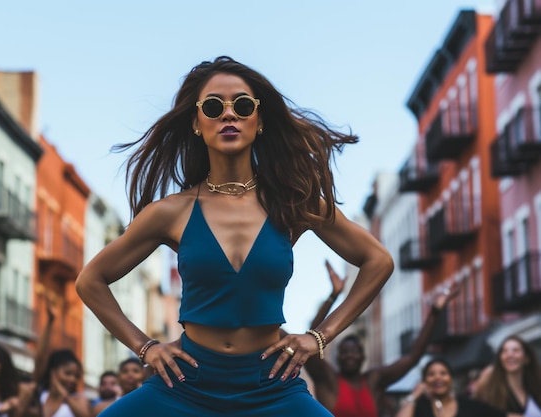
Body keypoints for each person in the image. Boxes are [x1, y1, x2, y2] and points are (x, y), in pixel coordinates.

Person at [75, 55, 394, 417]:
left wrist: (319, 336)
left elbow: (378, 260)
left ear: (259, 122)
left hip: (272, 385)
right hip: (185, 384)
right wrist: (145, 347)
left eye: (242, 106)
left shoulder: (294, 203)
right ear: (197, 123)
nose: (229, 115)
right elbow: (91, 280)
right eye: (213, 106)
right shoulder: (170, 212)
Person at [304, 265, 461, 417]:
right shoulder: (329, 381)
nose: (350, 356)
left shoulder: (374, 381)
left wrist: (434, 312)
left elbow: (412, 358)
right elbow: (309, 344)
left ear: (363, 356)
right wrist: (333, 297)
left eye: (355, 351)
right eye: (345, 352)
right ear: (338, 357)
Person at [395, 358, 511, 417]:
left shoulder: (468, 405)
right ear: (425, 381)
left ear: (450, 378)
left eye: (443, 373)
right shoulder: (419, 407)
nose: (437, 378)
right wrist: (415, 395)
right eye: (431, 374)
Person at [32, 299, 90, 417]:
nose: (73, 379)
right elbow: (40, 356)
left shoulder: (79, 400)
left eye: (76, 376)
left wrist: (65, 397)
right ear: (53, 371)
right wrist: (50, 321)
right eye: (68, 373)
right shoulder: (40, 394)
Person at [474, 335, 541, 416]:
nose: (510, 355)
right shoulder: (491, 392)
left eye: (515, 350)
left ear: (526, 358)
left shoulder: (535, 389)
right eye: (505, 351)